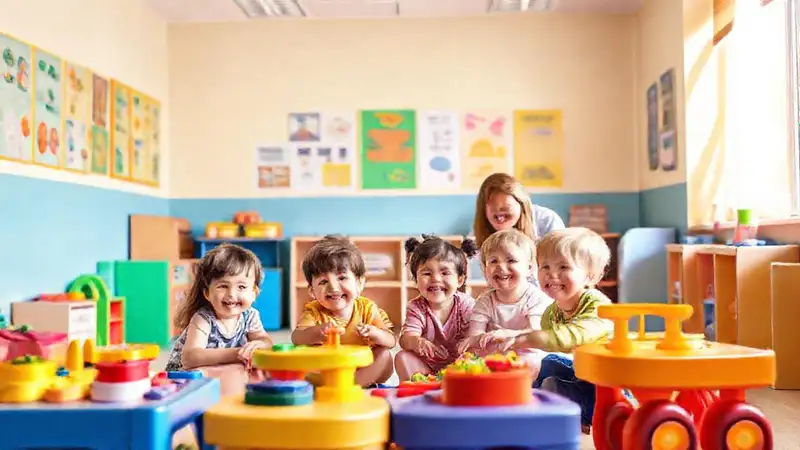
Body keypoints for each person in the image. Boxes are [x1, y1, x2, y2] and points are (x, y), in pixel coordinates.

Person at [501, 227, 614, 434]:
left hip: (607, 389)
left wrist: (534, 338)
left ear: (590, 276)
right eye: (545, 266)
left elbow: (578, 333)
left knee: (551, 376)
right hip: (583, 376)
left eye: (563, 266)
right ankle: (525, 406)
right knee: (546, 364)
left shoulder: (597, 304)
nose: (552, 274)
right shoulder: (552, 312)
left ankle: (556, 409)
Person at [291, 235, 395, 387]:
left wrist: (375, 333)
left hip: (362, 367)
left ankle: (352, 383)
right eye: (323, 281)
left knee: (385, 356)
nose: (333, 287)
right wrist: (314, 333)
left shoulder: (367, 309)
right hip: (327, 369)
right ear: (312, 291)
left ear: (359, 283)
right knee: (298, 361)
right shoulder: (313, 312)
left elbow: (391, 341)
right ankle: (344, 383)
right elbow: (296, 338)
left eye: (342, 278)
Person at [166, 244, 273, 372]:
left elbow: (264, 340)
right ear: (207, 293)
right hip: (184, 376)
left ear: (254, 293)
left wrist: (261, 344)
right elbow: (190, 358)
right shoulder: (204, 318)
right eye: (223, 286)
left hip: (218, 371)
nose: (231, 294)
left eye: (242, 287)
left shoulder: (250, 316)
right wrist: (237, 354)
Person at [457, 229, 553, 372]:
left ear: (529, 268)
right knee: (467, 362)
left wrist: (508, 334)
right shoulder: (485, 301)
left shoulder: (536, 299)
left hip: (529, 353)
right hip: (497, 354)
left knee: (530, 362)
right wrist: (471, 342)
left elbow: (536, 335)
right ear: (485, 269)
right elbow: (475, 335)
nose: (501, 266)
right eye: (493, 261)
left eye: (511, 260)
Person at [395, 235, 479, 381]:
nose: (436, 279)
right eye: (427, 273)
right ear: (416, 280)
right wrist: (416, 341)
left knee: (480, 356)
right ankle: (423, 391)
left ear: (460, 280)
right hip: (428, 369)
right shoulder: (416, 307)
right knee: (402, 357)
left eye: (445, 273)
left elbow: (476, 337)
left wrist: (466, 352)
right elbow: (405, 338)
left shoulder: (467, 304)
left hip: (461, 367)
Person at [473, 172, 565, 247]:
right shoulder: (477, 232)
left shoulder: (547, 221)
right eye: (493, 207)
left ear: (521, 204)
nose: (499, 212)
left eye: (506, 208)